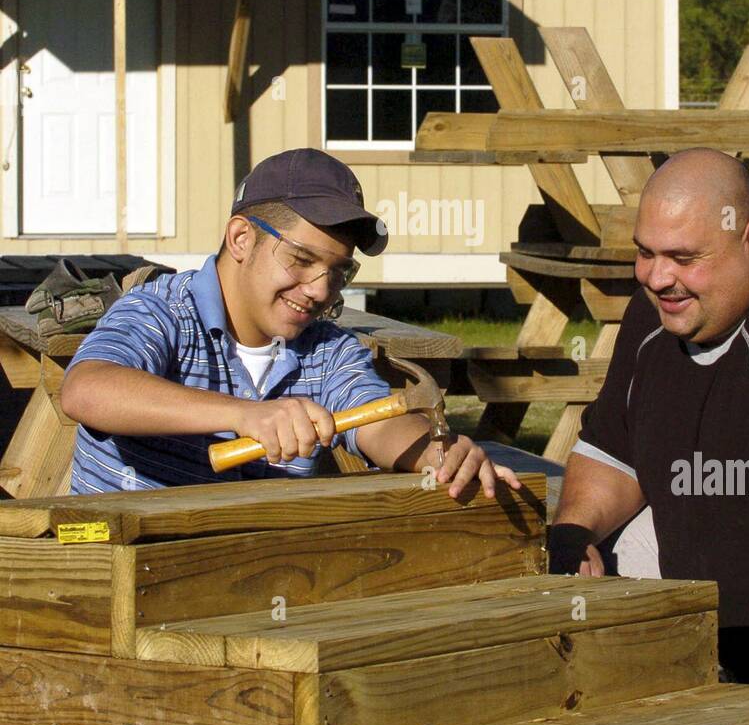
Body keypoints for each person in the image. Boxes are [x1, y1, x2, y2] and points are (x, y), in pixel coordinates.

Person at [550, 147, 749, 700]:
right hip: (707, 670)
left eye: (683, 257)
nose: (657, 276)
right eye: (645, 253)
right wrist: (573, 536)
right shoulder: (658, 312)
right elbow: (611, 458)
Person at [61, 149, 519, 501]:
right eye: (301, 260)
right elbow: (88, 390)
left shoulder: (329, 352)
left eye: (338, 272)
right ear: (241, 238)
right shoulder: (160, 311)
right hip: (114, 577)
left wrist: (439, 454)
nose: (321, 290)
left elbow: (377, 422)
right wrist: (244, 415)